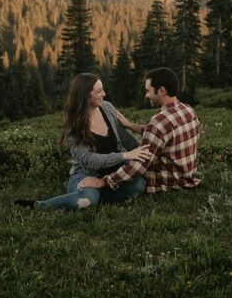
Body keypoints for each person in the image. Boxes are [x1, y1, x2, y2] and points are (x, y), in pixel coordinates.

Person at [16, 72, 151, 210]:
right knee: (88, 200)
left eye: (102, 89)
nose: (104, 94)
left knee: (139, 185)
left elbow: (126, 138)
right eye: (99, 91)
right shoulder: (73, 125)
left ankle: (100, 194)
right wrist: (124, 155)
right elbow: (89, 159)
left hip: (113, 173)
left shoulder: (107, 108)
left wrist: (142, 152)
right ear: (86, 96)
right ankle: (41, 205)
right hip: (86, 174)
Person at [76, 67, 201, 195]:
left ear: (161, 91)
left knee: (132, 174)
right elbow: (162, 132)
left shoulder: (158, 123)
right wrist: (130, 125)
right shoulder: (188, 110)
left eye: (148, 91)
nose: (146, 95)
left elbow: (138, 166)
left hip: (166, 184)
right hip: (186, 179)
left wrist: (103, 181)